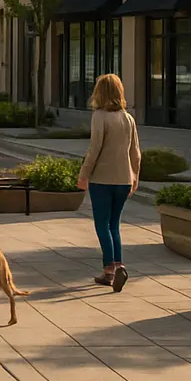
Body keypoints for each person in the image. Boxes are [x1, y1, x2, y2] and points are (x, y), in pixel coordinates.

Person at [77, 73, 141, 291]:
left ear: (100, 92)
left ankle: (109, 271)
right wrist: (135, 177)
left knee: (102, 224)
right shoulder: (128, 118)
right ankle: (119, 265)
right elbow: (136, 153)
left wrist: (83, 174)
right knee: (114, 225)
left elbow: (94, 149)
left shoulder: (100, 116)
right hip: (124, 179)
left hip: (102, 179)